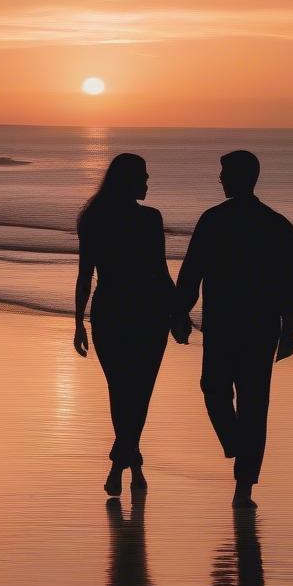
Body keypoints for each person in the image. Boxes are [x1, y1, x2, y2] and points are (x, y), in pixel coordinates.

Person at [174, 150, 293, 508]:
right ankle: (236, 445)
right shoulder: (228, 220)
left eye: (224, 172)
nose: (220, 178)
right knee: (216, 389)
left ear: (242, 177)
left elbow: (292, 283)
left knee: (252, 403)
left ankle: (244, 486)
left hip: (252, 326)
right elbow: (192, 272)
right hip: (230, 324)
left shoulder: (270, 224)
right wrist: (180, 312)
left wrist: (290, 330)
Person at [75, 153, 175, 496]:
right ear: (129, 180)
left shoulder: (93, 218)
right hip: (147, 313)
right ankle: (126, 463)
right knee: (137, 393)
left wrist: (79, 322)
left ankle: (123, 464)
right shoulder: (149, 219)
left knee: (122, 392)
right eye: (143, 177)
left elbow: (85, 276)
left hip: (110, 312)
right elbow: (160, 273)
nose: (148, 183)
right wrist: (178, 314)